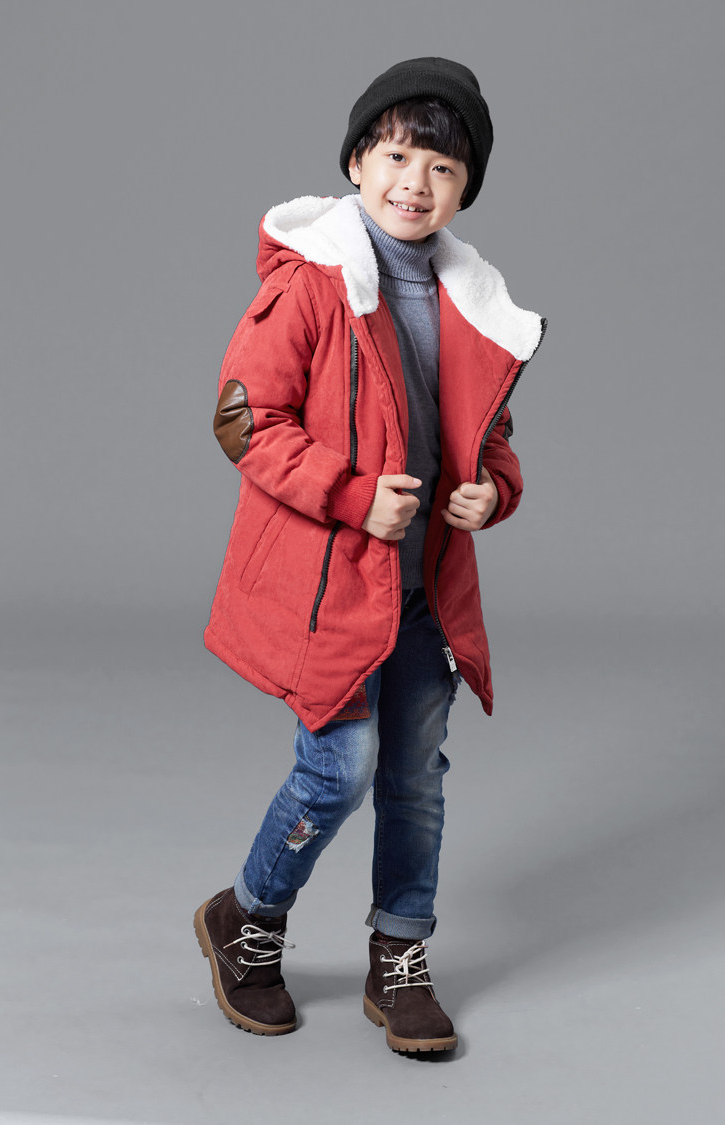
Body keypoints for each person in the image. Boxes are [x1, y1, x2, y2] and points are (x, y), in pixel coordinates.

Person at [195, 57, 546, 1054]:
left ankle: (400, 953)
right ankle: (248, 917)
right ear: (357, 161)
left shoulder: (471, 301)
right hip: (334, 588)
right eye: (397, 157)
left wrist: (495, 489)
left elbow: (489, 432)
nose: (415, 184)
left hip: (426, 586)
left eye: (442, 168)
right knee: (339, 770)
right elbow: (241, 420)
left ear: (465, 188)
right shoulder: (311, 285)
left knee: (417, 778)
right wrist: (351, 495)